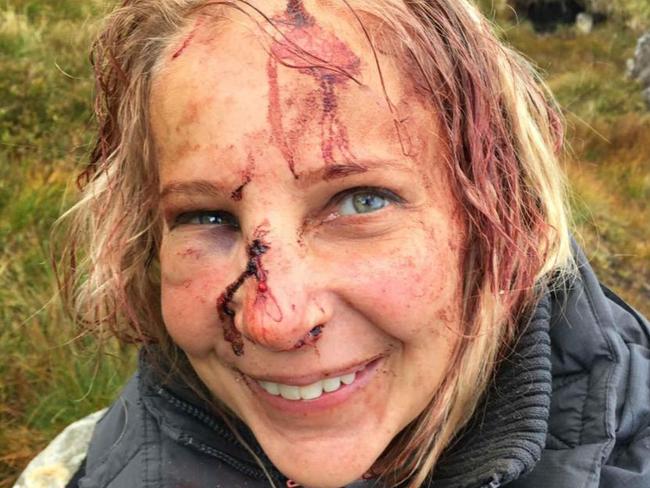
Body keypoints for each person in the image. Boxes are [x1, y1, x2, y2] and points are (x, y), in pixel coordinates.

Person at [30, 0, 650, 487]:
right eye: (209, 216)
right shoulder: (84, 464)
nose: (276, 320)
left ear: (515, 218)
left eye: (362, 200)